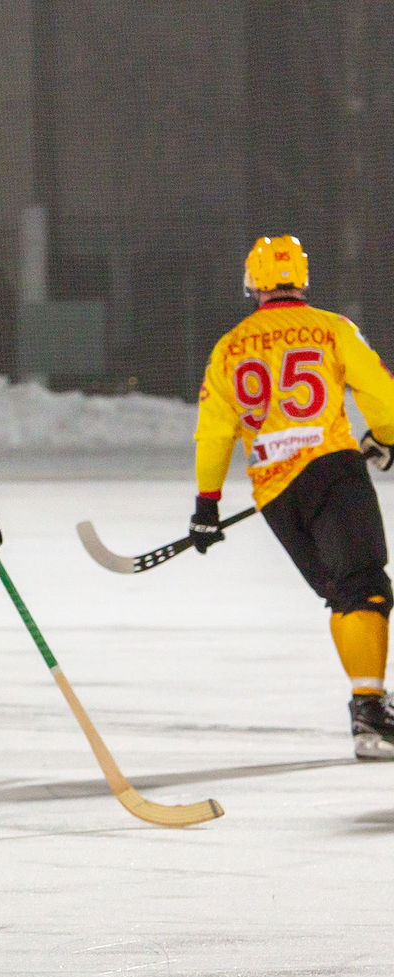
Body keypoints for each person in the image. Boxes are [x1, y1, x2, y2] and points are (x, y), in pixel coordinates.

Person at [190, 234, 394, 760]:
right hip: (332, 470)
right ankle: (370, 714)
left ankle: (369, 709)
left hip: (276, 492)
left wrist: (207, 504)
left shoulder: (229, 346)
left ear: (252, 283)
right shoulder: (332, 327)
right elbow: (382, 394)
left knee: (343, 595)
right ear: (302, 279)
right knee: (364, 590)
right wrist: (386, 436)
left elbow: (214, 433)